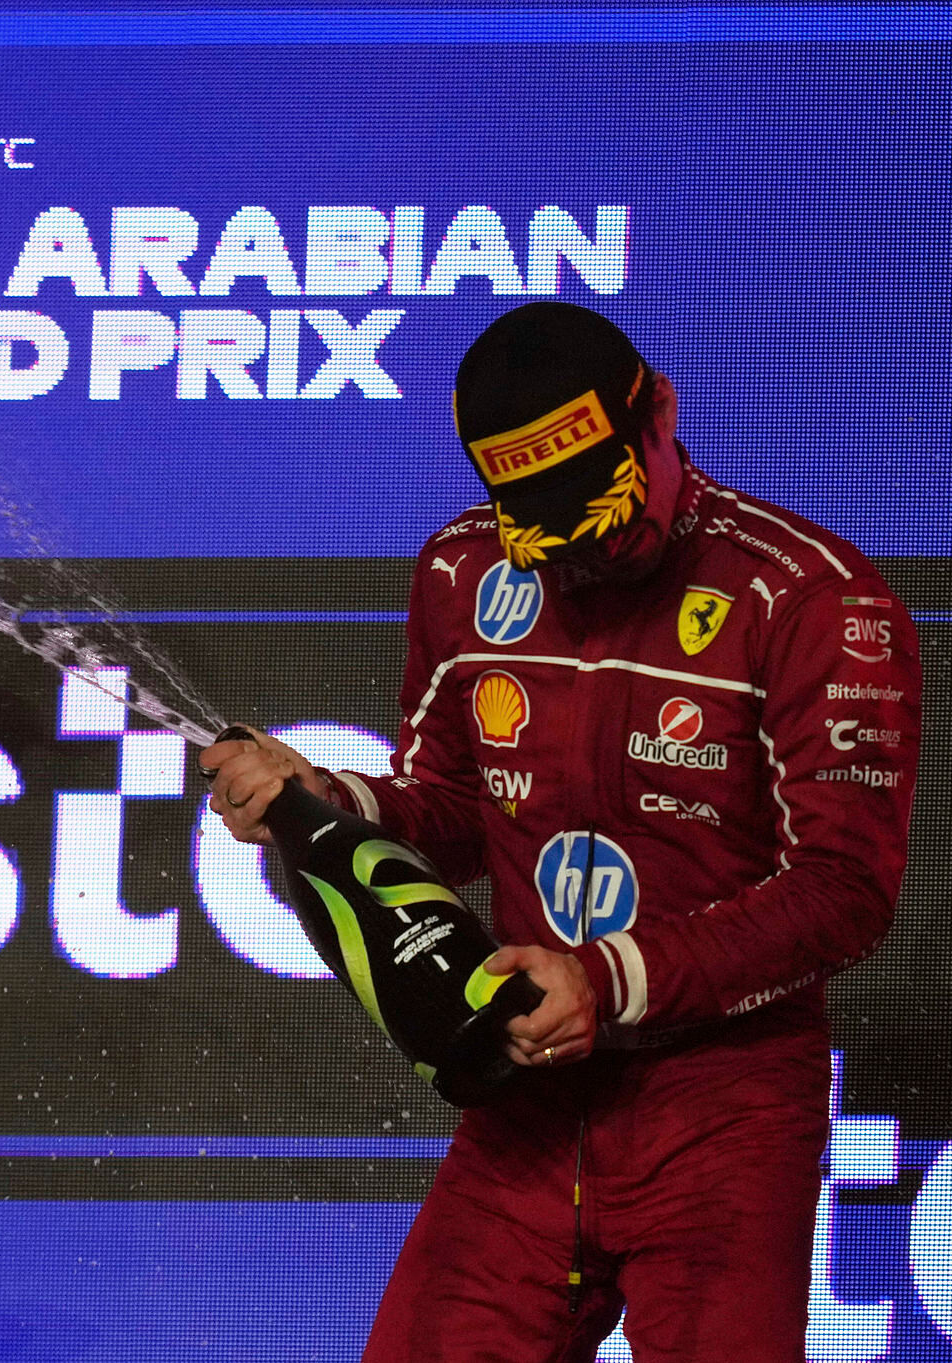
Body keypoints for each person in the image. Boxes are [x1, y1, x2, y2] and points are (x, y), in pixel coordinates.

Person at [202, 301, 919, 1361]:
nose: (580, 561)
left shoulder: (812, 598)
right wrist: (327, 803)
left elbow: (845, 889)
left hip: (724, 1110)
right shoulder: (459, 574)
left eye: (605, 515)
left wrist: (610, 977)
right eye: (545, 533)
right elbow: (454, 811)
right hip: (524, 1100)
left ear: (661, 413)